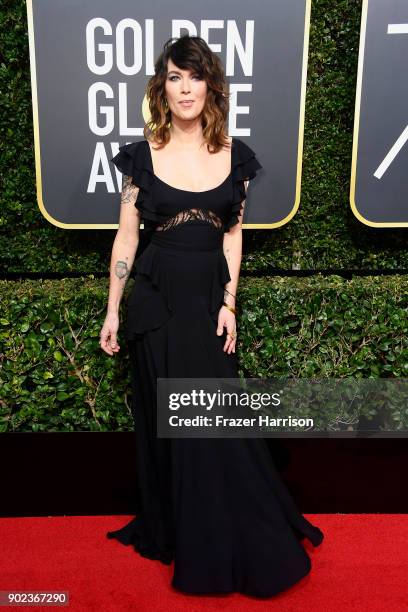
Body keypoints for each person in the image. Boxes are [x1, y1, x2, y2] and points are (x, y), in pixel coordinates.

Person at [102, 34, 324, 598]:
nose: (184, 89)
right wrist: (112, 310)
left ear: (210, 87)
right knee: (176, 427)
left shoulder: (234, 156)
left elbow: (233, 238)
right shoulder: (141, 154)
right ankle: (183, 531)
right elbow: (126, 240)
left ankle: (235, 530)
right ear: (162, 87)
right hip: (155, 306)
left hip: (205, 305)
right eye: (174, 77)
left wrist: (229, 306)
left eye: (194, 77)